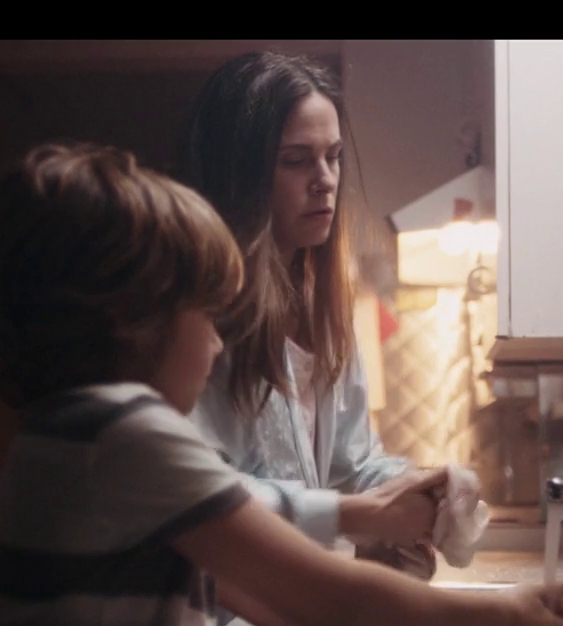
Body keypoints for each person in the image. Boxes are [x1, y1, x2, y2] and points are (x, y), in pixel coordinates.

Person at [0, 141, 563, 626]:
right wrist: (497, 619)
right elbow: (319, 599)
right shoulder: (122, 431)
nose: (218, 343)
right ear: (130, 320)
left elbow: (198, 607)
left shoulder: (73, 432)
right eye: (206, 314)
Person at [176, 52, 442, 570]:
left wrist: (417, 489)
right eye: (296, 161)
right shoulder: (198, 318)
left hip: (294, 598)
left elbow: (351, 464)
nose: (325, 180)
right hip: (224, 606)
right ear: (240, 176)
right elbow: (205, 491)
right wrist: (362, 516)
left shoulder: (327, 311)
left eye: (334, 157)